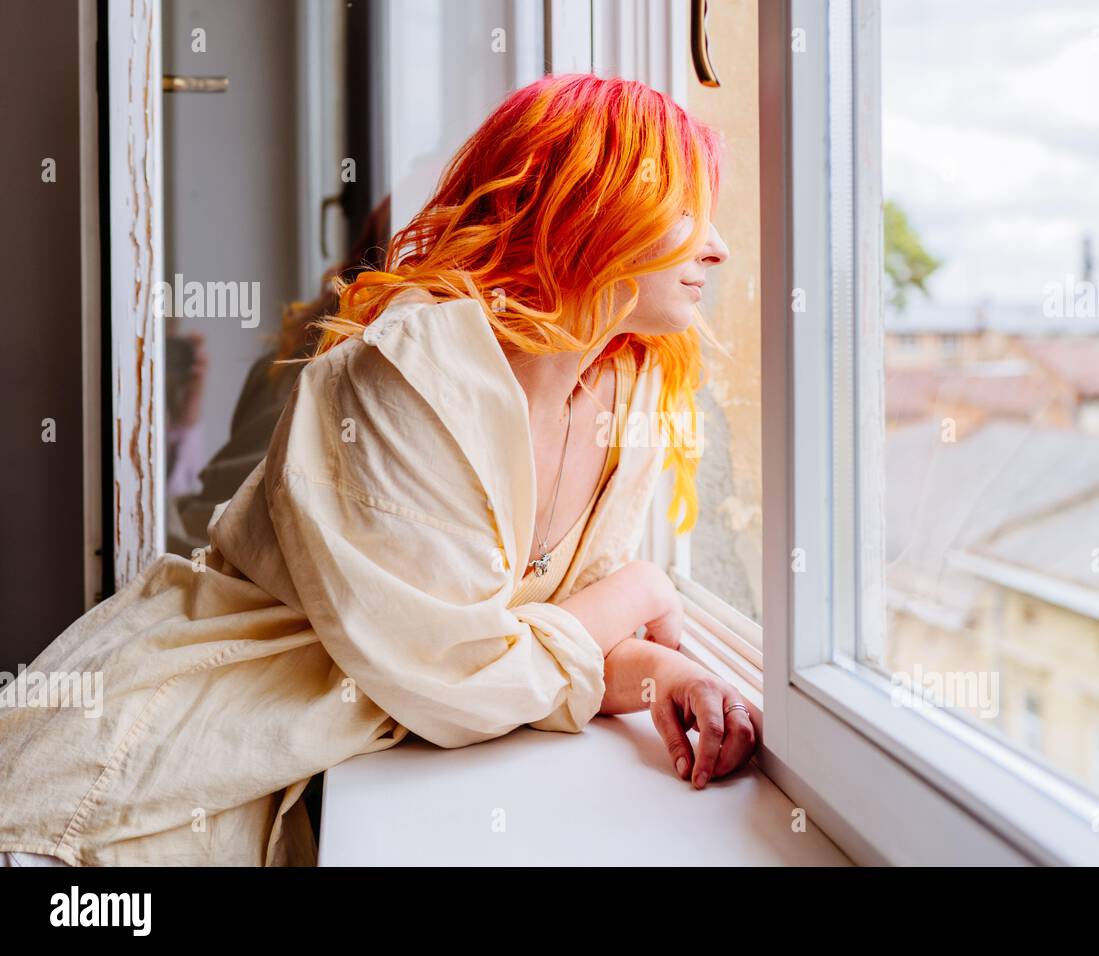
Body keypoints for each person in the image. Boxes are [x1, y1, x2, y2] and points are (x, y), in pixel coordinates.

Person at [0, 74, 755, 866]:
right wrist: (644, 590)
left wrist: (661, 673)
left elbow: (536, 638)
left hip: (304, 763)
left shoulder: (624, 392)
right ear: (585, 208)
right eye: (684, 210)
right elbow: (461, 679)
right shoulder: (408, 375)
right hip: (152, 769)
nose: (717, 245)